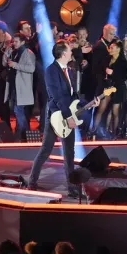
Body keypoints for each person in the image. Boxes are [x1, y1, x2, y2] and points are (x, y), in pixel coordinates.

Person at [27, 42, 83, 197]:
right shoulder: (51, 71)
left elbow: (72, 96)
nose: (72, 52)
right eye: (69, 50)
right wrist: (68, 116)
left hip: (68, 114)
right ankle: (32, 181)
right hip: (56, 116)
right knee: (46, 150)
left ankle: (72, 187)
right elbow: (57, 97)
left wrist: (88, 103)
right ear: (63, 53)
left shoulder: (69, 70)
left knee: (69, 152)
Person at [4, 32, 35, 140]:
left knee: (18, 110)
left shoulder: (28, 53)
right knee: (17, 110)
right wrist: (7, 52)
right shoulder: (15, 52)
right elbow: (4, 63)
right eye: (14, 41)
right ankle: (24, 134)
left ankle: (23, 133)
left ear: (23, 42)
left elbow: (31, 68)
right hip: (15, 86)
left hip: (22, 86)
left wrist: (15, 65)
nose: (14, 43)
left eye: (16, 41)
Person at [93, 40, 127, 139]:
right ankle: (93, 131)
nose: (110, 49)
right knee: (101, 109)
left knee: (115, 112)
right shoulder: (106, 59)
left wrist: (113, 73)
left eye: (112, 47)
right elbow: (99, 71)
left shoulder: (123, 62)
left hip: (118, 89)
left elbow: (124, 77)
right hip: (107, 87)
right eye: (109, 47)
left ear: (118, 49)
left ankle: (115, 133)